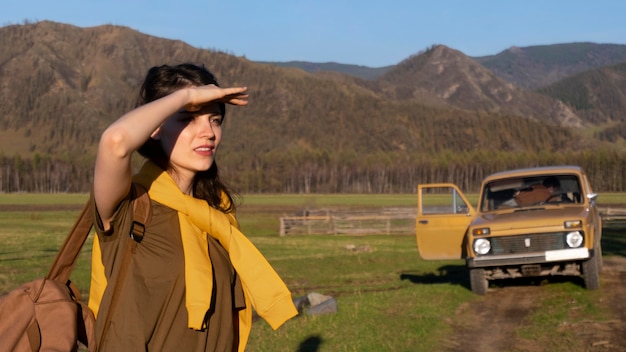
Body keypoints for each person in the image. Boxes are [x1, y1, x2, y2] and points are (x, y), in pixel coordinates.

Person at [88, 63, 297, 351]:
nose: (208, 132)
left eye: (215, 120)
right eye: (188, 119)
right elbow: (114, 142)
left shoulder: (216, 215)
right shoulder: (128, 204)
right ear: (155, 128)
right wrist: (186, 96)